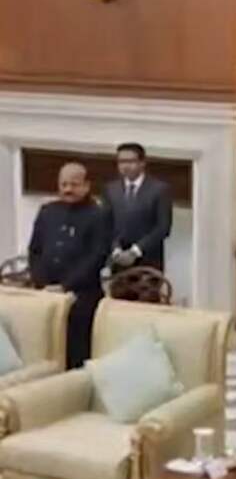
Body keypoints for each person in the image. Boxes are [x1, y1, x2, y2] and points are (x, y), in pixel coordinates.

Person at [28, 162, 111, 369]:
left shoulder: (98, 215)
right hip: (45, 292)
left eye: (74, 184)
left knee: (76, 353)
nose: (68, 189)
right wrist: (42, 284)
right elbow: (35, 251)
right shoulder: (47, 211)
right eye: (63, 184)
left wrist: (65, 286)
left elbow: (97, 256)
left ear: (86, 186)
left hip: (82, 295)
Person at [102, 142, 172, 272]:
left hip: (148, 260)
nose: (125, 166)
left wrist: (135, 251)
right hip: (118, 260)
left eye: (130, 161)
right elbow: (106, 224)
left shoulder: (159, 189)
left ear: (142, 163)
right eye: (121, 162)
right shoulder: (111, 189)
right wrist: (115, 249)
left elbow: (163, 227)